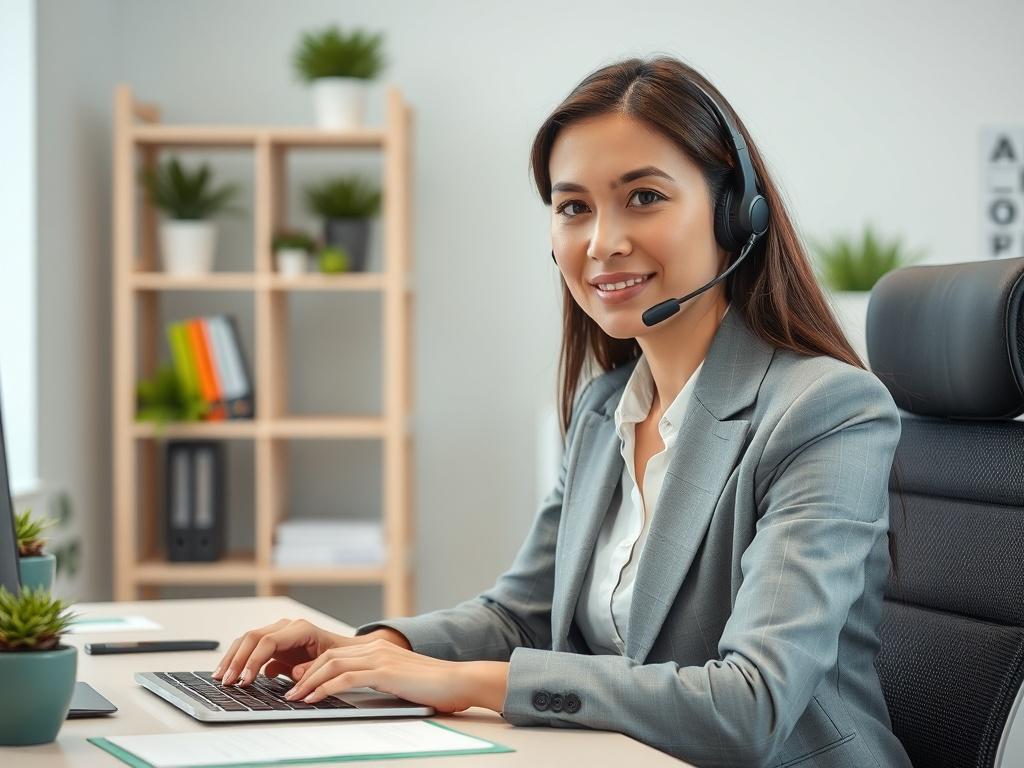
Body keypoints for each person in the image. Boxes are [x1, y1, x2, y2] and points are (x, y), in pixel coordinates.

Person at [213, 56, 912, 768]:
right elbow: (522, 613)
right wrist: (377, 650)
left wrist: (467, 683)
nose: (602, 242)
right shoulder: (604, 408)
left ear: (736, 212)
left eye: (643, 196)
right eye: (574, 206)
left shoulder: (824, 411)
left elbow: (751, 705)